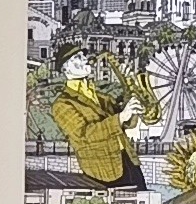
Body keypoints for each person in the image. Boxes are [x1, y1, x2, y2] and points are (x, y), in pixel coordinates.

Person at [48, 49, 134, 186]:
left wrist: (131, 95)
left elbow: (128, 124)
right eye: (77, 57)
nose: (85, 59)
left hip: (129, 161)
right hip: (102, 172)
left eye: (83, 55)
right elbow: (85, 135)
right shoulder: (61, 104)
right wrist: (120, 118)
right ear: (65, 69)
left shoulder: (102, 97)